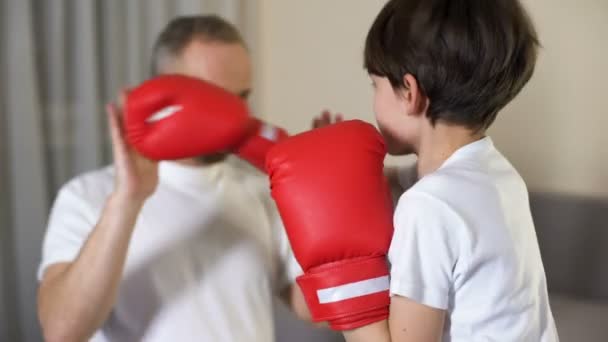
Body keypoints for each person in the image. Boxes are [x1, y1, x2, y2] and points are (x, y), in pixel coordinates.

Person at [265, 1, 560, 341]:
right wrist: (334, 169)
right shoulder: (497, 174)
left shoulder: (426, 206)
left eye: (375, 85)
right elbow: (397, 183)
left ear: (409, 92)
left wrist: (348, 285)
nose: (374, 97)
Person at [37, 15, 335, 342]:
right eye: (217, 99)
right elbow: (61, 331)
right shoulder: (87, 196)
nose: (235, 118)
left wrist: (318, 197)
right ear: (161, 93)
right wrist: (127, 201)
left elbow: (319, 311)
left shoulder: (262, 190)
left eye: (242, 98)